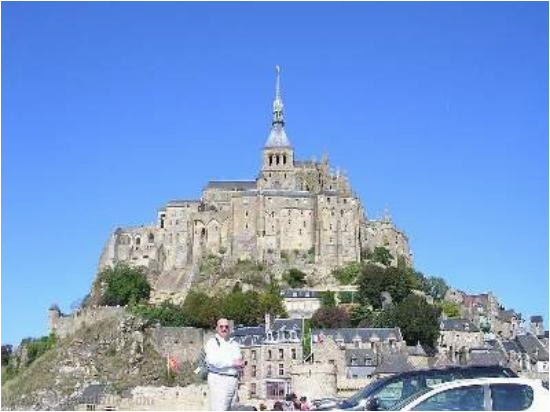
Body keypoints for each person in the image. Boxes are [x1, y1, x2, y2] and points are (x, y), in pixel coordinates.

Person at [204, 318, 243, 411]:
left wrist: (238, 364)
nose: (224, 329)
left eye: (226, 327)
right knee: (219, 408)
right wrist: (232, 362)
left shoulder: (234, 344)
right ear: (217, 328)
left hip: (233, 380)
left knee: (232, 408)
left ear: (230, 329)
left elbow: (239, 358)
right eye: (221, 326)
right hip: (219, 380)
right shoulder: (212, 343)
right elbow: (213, 361)